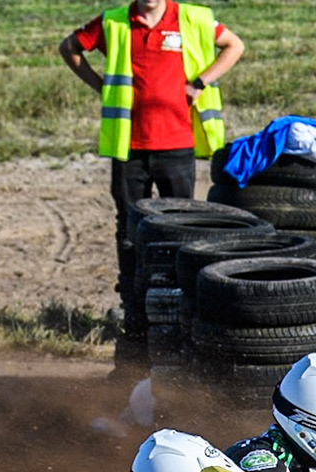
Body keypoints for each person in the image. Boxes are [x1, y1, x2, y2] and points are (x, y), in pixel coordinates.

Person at [59, 0, 245, 346]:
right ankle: (134, 309)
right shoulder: (114, 22)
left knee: (180, 230)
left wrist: (201, 82)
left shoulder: (192, 18)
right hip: (129, 146)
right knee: (130, 228)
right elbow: (69, 47)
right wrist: (101, 87)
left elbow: (234, 45)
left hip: (177, 145)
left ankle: (178, 305)